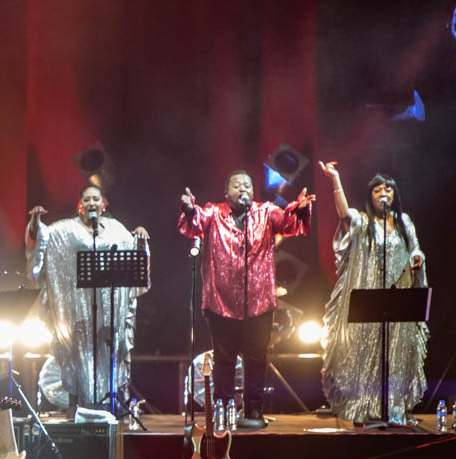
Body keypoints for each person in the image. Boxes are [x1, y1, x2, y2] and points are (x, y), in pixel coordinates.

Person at [178, 170, 314, 429]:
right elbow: (194, 224)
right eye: (237, 185)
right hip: (221, 301)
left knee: (257, 357)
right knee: (224, 358)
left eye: (248, 186)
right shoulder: (213, 212)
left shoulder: (266, 212)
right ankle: (223, 409)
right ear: (226, 192)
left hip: (259, 301)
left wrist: (299, 208)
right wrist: (189, 208)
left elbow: (288, 222)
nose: (243, 189)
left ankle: (253, 411)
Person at [317, 161, 427, 425]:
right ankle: (364, 407)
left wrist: (417, 258)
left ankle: (393, 408)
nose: (383, 194)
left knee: (395, 352)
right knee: (366, 351)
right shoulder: (364, 222)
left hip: (398, 294)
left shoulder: (404, 222)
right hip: (369, 296)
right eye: (377, 190)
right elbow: (345, 213)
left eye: (387, 189)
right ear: (370, 196)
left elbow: (416, 248)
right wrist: (335, 179)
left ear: (394, 194)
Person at [26, 184, 150, 415]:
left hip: (107, 311)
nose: (91, 203)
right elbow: (41, 240)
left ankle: (111, 405)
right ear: (80, 205)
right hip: (77, 310)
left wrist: (140, 237)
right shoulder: (65, 229)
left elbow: (132, 249)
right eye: (86, 199)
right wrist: (35, 222)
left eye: (95, 199)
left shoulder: (116, 229)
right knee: (77, 356)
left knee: (108, 354)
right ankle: (78, 406)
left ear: (104, 204)